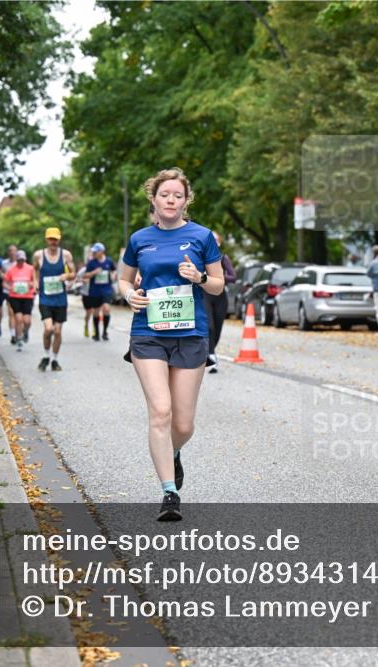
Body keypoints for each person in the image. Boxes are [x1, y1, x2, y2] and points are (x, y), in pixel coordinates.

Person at [119, 167, 224, 521]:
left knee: (182, 425)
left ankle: (173, 452)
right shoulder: (139, 239)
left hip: (191, 333)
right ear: (154, 198)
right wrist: (130, 295)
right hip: (148, 332)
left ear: (186, 200)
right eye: (165, 194)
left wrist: (200, 276)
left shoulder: (202, 236)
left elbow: (219, 286)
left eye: (178, 195)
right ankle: (169, 492)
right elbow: (123, 280)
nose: (171, 200)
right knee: (160, 411)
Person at [33, 227, 75, 371]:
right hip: (45, 299)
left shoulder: (66, 255)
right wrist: (35, 281)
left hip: (60, 300)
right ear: (46, 239)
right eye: (51, 239)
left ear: (59, 239)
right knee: (49, 329)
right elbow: (35, 269)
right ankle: (46, 356)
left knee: (57, 332)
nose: (53, 242)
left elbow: (74, 273)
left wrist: (67, 276)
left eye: (55, 239)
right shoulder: (39, 255)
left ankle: (54, 360)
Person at [202, 231, 236, 373]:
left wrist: (220, 277)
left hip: (221, 297)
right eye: (211, 239)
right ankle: (210, 356)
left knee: (217, 330)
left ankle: (211, 352)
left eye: (215, 240)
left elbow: (233, 276)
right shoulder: (201, 257)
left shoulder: (223, 258)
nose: (213, 242)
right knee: (209, 327)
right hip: (205, 295)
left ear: (219, 243)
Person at [3, 250, 36, 352]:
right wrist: (10, 288)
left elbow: (35, 281)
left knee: (27, 321)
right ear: (16, 260)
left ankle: (25, 331)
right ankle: (19, 340)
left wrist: (32, 286)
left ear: (25, 259)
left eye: (22, 260)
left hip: (27, 297)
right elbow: (4, 283)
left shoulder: (30, 269)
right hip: (15, 297)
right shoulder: (11, 270)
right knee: (18, 319)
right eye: (19, 260)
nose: (20, 262)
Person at [84, 242, 117, 341]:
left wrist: (113, 275)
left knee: (106, 309)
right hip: (95, 290)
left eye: (96, 251)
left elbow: (114, 270)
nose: (94, 253)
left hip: (106, 289)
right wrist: (94, 272)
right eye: (93, 251)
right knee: (96, 311)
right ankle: (97, 333)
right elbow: (85, 275)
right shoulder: (91, 263)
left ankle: (105, 332)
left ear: (102, 251)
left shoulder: (108, 261)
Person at [2, 244, 20, 343]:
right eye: (10, 251)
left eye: (14, 251)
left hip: (21, 292)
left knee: (19, 315)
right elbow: (2, 276)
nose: (12, 252)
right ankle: (13, 335)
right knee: (11, 313)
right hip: (9, 291)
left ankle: (19, 333)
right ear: (8, 252)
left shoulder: (21, 262)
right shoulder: (4, 264)